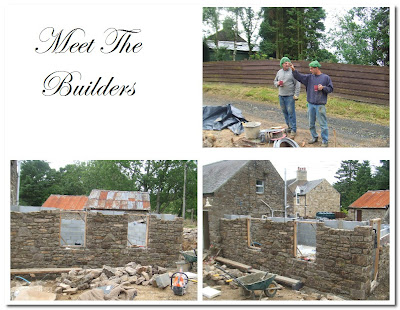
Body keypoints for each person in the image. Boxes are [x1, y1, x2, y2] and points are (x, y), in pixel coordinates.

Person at [289, 60, 333, 147]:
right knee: (311, 123)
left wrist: (323, 88)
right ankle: (314, 137)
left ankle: (325, 140)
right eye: (310, 68)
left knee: (323, 124)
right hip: (310, 104)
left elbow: (331, 89)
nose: (310, 70)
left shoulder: (325, 77)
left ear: (317, 68)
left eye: (312, 68)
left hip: (320, 105)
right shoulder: (309, 78)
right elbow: (299, 77)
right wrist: (294, 70)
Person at [274, 57, 301, 139]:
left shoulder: (293, 72)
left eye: (288, 63)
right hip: (281, 95)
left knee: (291, 113)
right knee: (285, 112)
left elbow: (298, 84)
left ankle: (293, 130)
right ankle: (289, 127)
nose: (287, 64)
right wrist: (277, 83)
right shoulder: (279, 72)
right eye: (285, 63)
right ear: (282, 64)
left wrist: (296, 95)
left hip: (290, 96)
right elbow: (274, 81)